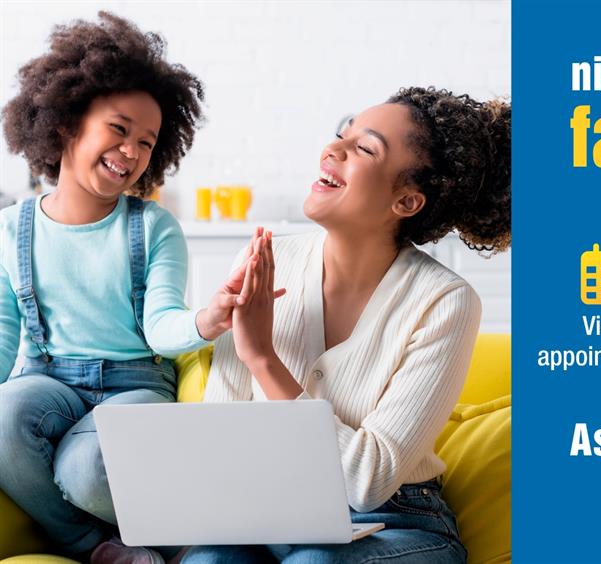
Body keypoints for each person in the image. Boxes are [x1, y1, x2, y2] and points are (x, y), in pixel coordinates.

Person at [184, 86, 511, 564]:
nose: (333, 149)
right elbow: (222, 431)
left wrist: (262, 359)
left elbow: (366, 481)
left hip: (398, 521)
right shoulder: (266, 260)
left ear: (406, 201)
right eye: (343, 133)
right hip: (273, 511)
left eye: (365, 148)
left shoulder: (446, 302)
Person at [0, 12, 259, 563]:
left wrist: (208, 318)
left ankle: (172, 538)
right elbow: (3, 338)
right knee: (3, 417)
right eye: (118, 129)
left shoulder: (153, 227)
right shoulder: (10, 230)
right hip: (48, 380)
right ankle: (94, 546)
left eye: (146, 141)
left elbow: (161, 325)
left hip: (134, 385)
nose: (132, 151)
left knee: (85, 467)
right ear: (65, 122)